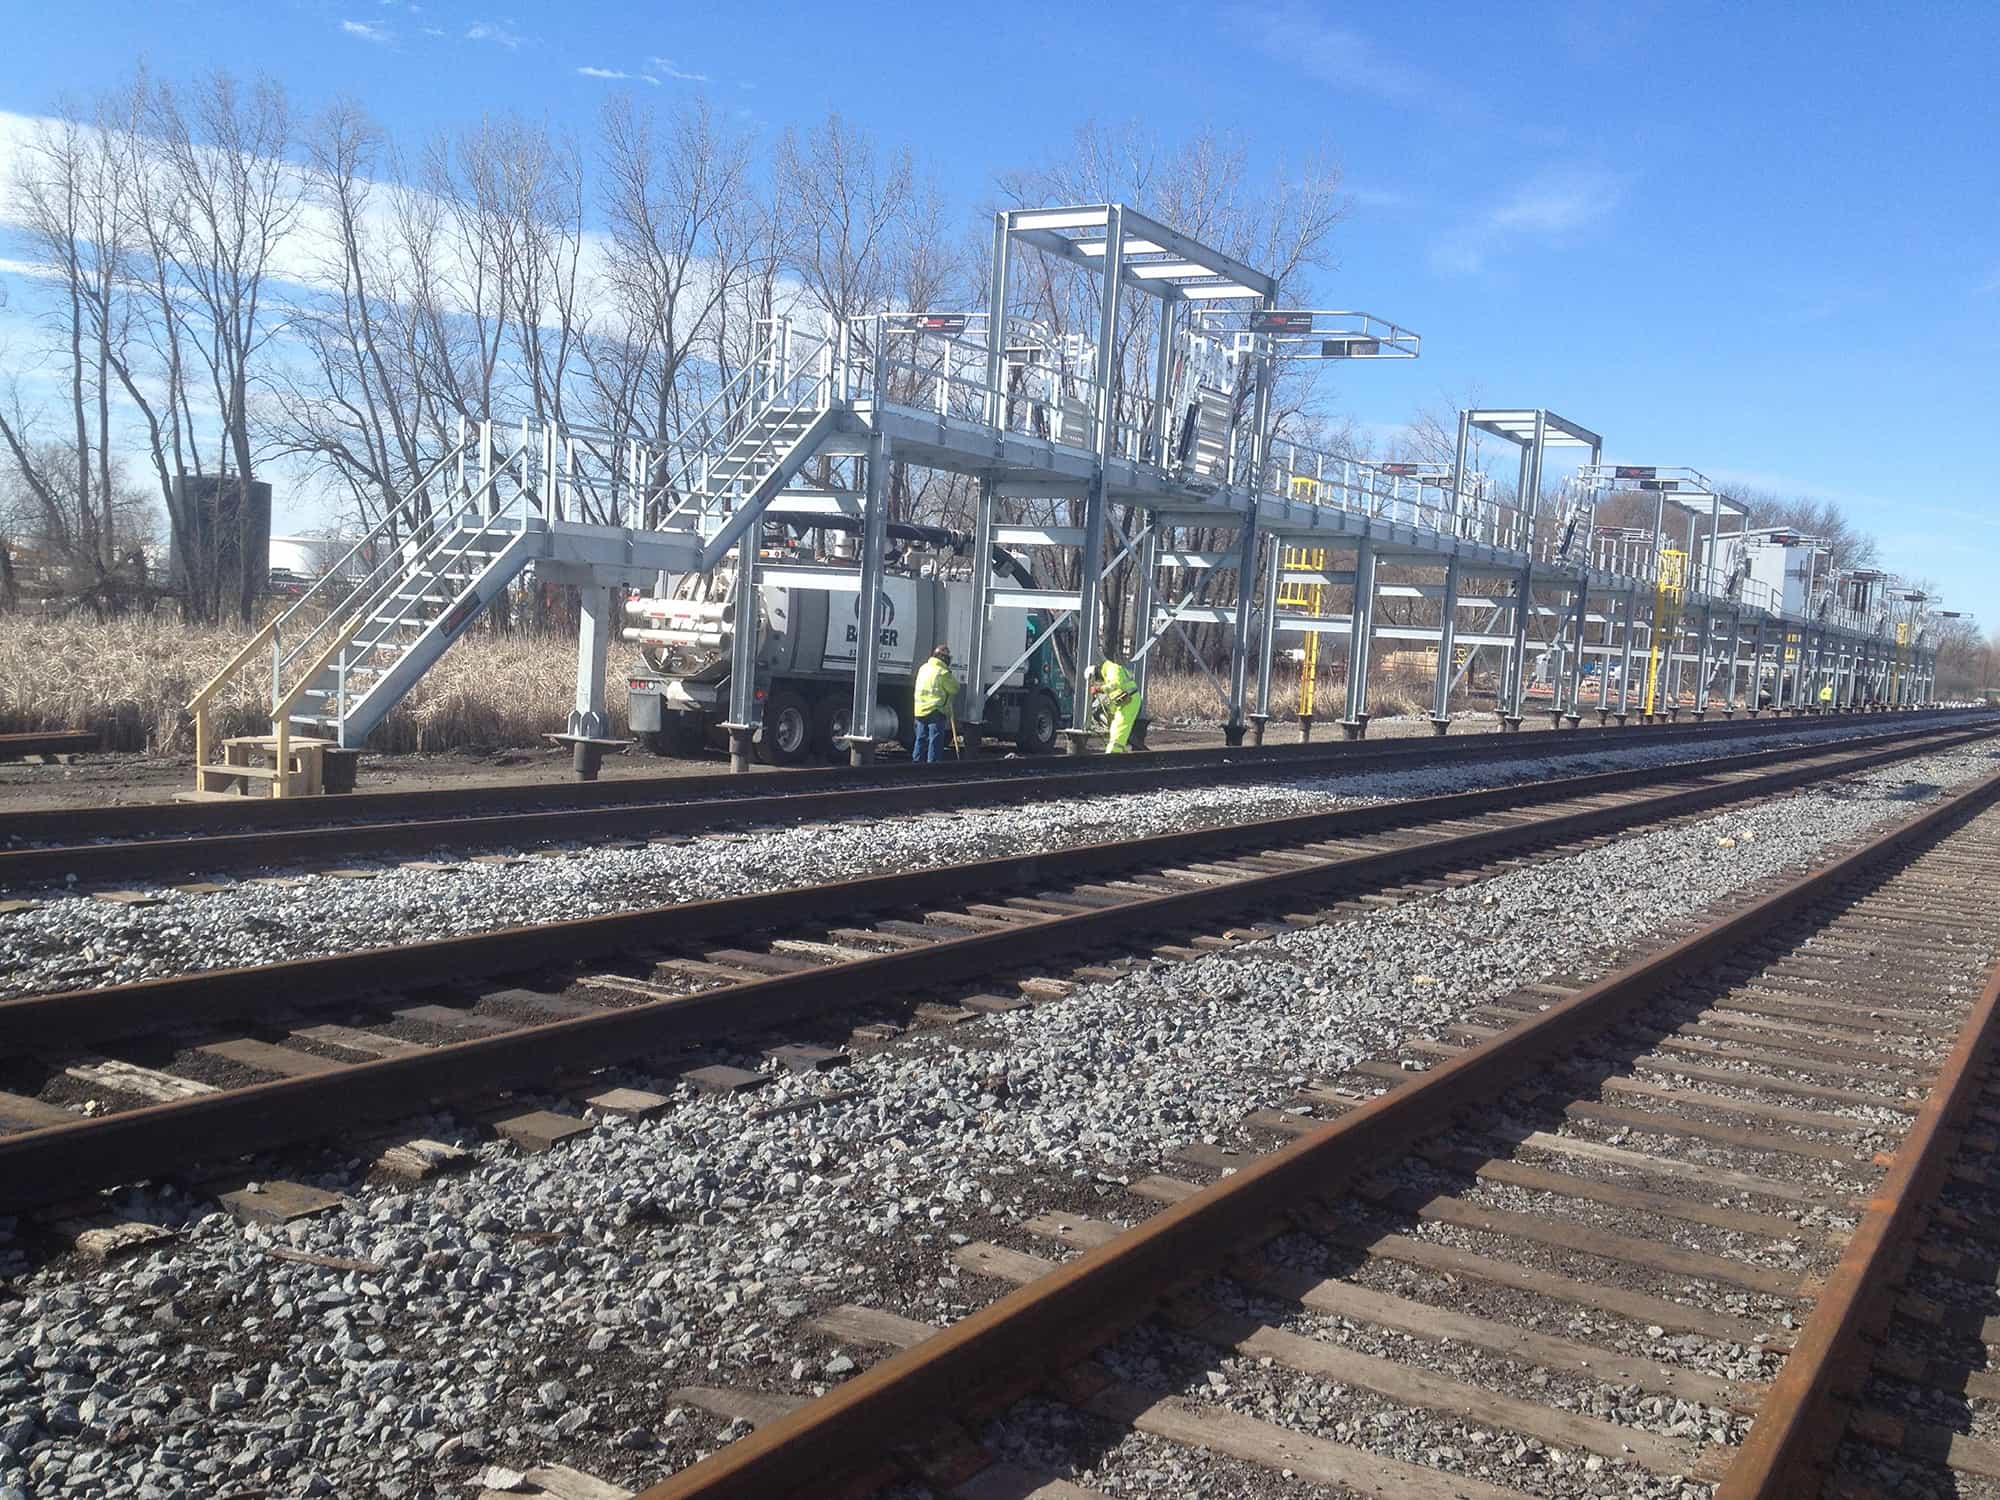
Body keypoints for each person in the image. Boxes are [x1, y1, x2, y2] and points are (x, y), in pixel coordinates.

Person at [912, 644, 959, 763]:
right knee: (935, 740)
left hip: (920, 710)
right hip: (935, 710)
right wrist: (949, 674)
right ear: (943, 658)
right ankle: (932, 766)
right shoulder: (942, 672)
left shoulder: (923, 668)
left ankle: (915, 765)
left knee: (920, 739)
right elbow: (954, 688)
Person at [1092, 657, 1141, 753]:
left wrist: (1099, 689)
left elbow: (1115, 684)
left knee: (1119, 728)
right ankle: (1120, 752)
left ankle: (1113, 753)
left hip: (1129, 701)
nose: (1099, 680)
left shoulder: (1112, 669)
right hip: (1127, 701)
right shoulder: (1111, 670)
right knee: (1116, 727)